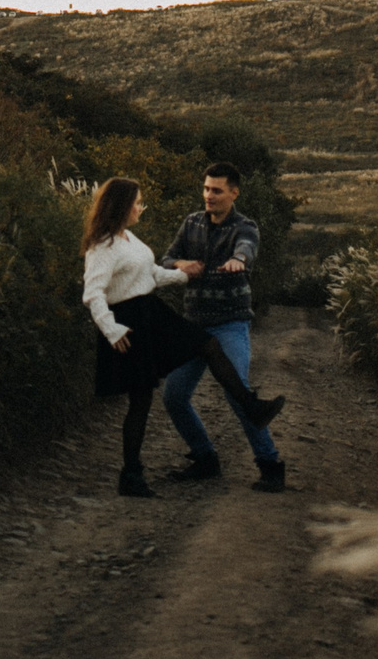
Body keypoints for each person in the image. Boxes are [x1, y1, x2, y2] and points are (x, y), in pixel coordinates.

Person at [81, 176, 283, 498]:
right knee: (141, 400)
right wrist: (111, 328)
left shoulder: (129, 239)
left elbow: (149, 274)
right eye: (136, 201)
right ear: (121, 205)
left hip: (151, 313)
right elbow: (93, 294)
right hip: (127, 322)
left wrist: (182, 273)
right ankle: (131, 476)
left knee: (207, 345)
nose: (140, 207)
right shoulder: (103, 246)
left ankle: (251, 405)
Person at [160, 161, 287, 492]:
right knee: (174, 396)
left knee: (237, 393)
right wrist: (180, 263)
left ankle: (270, 465)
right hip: (193, 326)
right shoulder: (191, 223)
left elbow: (247, 248)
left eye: (216, 190)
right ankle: (205, 459)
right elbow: (165, 259)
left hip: (229, 326)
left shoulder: (245, 226)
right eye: (206, 188)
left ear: (234, 193)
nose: (209, 195)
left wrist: (239, 260)